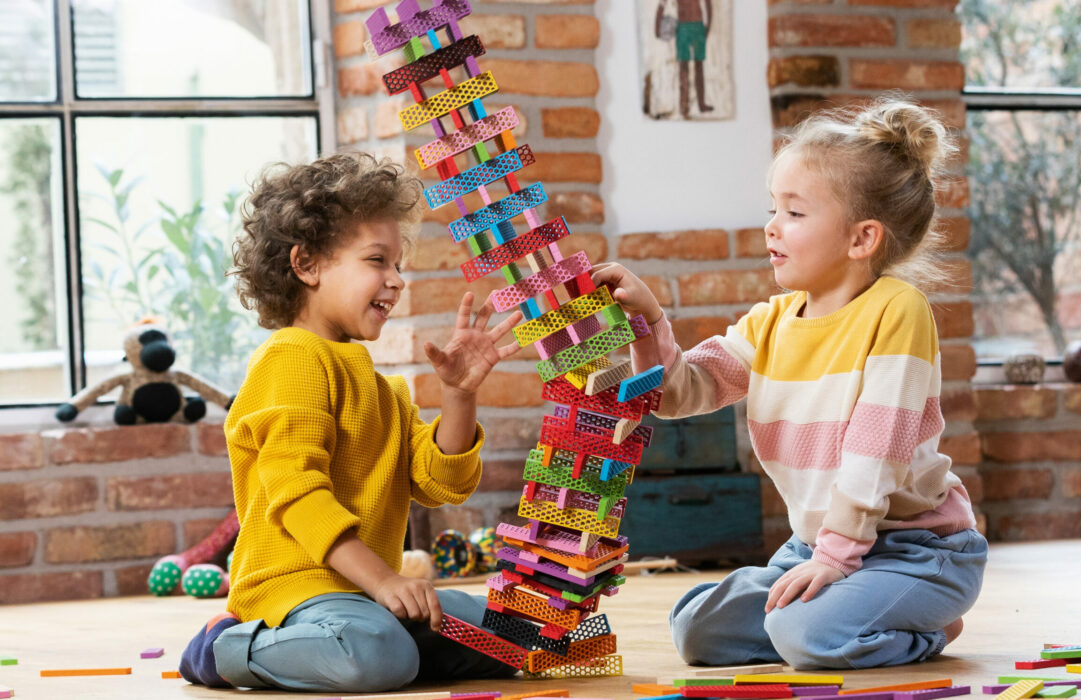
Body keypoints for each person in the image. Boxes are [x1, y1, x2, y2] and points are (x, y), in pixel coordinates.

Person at [593, 95, 988, 669]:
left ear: (861, 239)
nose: (772, 227)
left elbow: (875, 453)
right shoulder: (772, 320)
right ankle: (833, 617)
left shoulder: (897, 311)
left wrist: (836, 557)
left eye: (795, 214)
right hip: (817, 546)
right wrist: (651, 323)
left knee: (808, 638)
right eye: (773, 208)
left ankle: (925, 628)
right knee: (696, 630)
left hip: (916, 551)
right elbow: (682, 391)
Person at [178, 152, 523, 692]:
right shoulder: (290, 357)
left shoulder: (383, 388)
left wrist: (458, 397)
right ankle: (225, 648)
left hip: (365, 600)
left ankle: (393, 653)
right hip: (295, 594)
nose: (396, 280)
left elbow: (440, 483)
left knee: (524, 631)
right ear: (307, 265)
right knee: (374, 653)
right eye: (377, 261)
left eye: (399, 265)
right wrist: (385, 580)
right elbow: (298, 496)